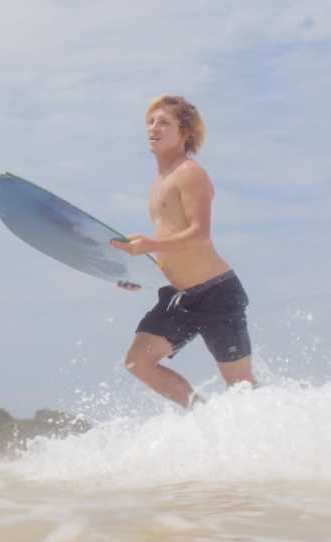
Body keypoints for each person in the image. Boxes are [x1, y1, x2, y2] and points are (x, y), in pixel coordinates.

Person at [111, 95, 255, 409]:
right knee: (139, 362)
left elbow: (197, 235)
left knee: (242, 389)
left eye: (164, 122)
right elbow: (172, 247)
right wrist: (143, 276)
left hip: (216, 294)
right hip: (179, 295)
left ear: (184, 132)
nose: (153, 127)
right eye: (150, 121)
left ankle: (291, 437)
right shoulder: (159, 181)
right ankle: (205, 419)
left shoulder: (190, 173)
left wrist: (147, 245)